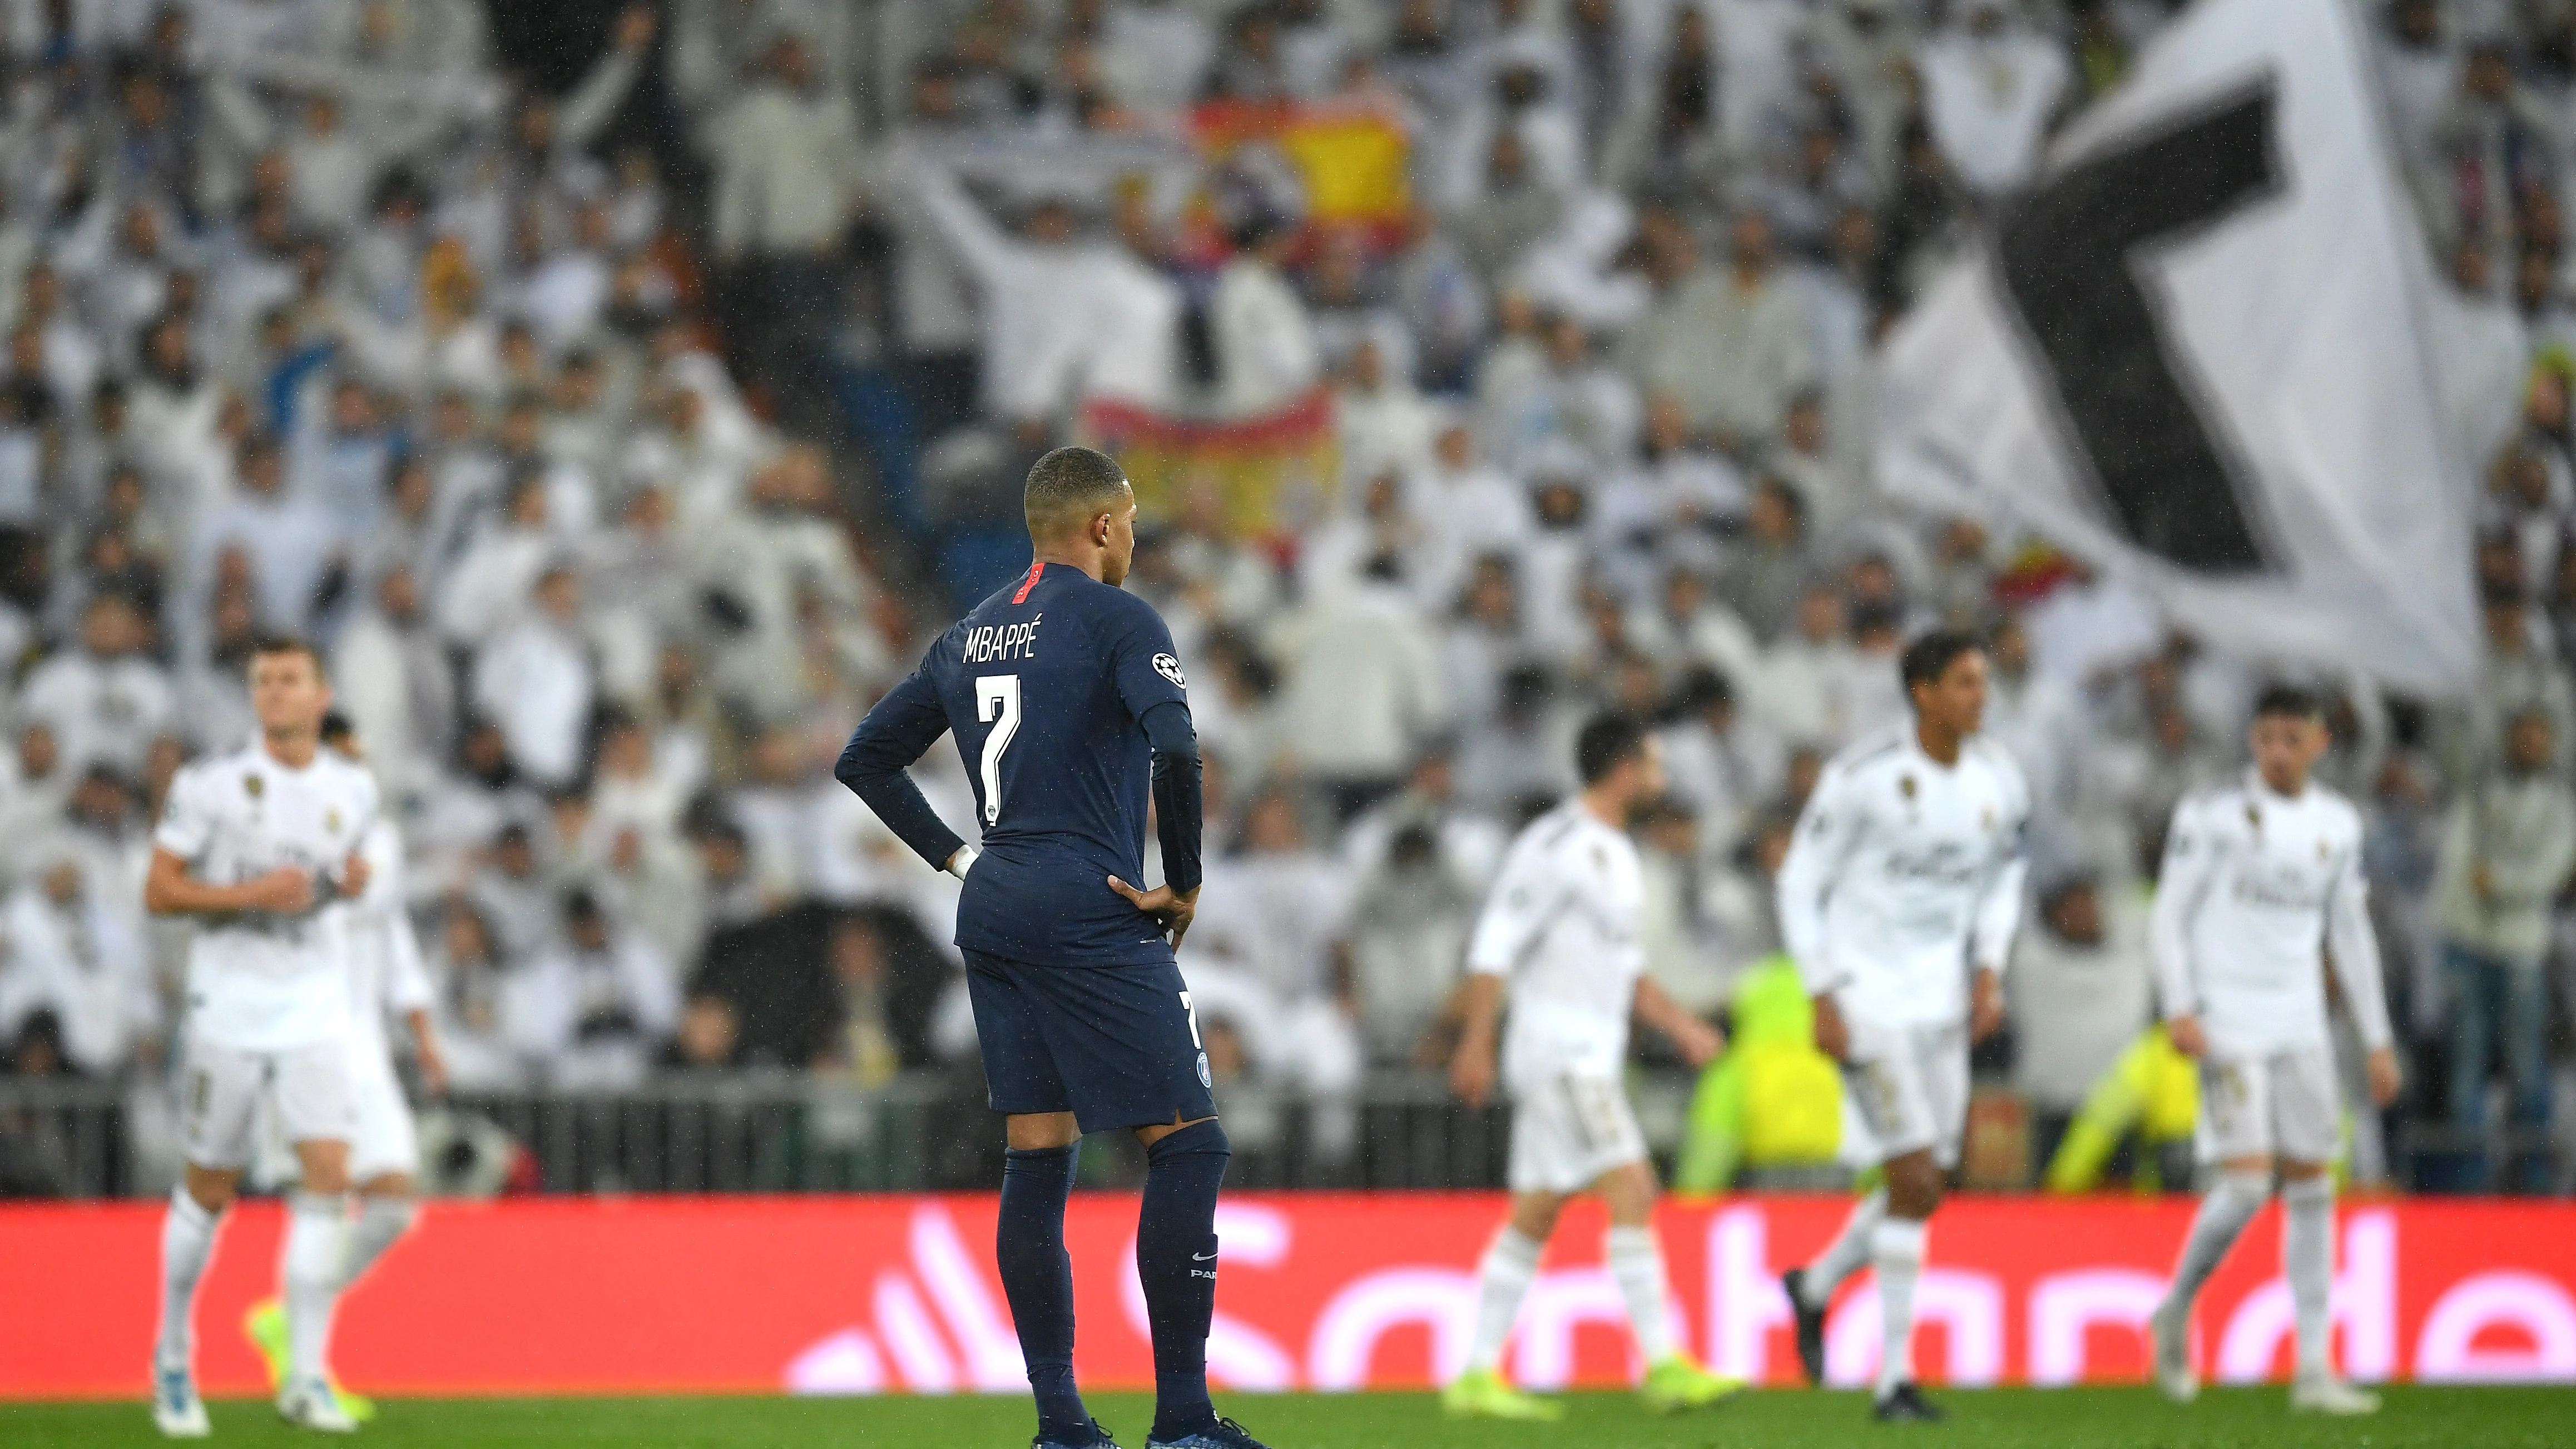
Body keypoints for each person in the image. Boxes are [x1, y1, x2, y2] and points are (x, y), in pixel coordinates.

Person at [834, 446, 1259, 1449]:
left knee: (1038, 1155)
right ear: (1104, 525)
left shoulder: (969, 632)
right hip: (1089, 899)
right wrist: (1186, 876)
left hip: (994, 903)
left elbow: (866, 756)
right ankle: (1184, 1421)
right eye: (1133, 521)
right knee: (1189, 1144)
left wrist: (953, 859)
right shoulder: (1119, 619)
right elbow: (1177, 747)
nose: (1135, 538)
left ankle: (1062, 1423)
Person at [1440, 712, 1741, 1421]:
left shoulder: (1618, 852)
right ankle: (1664, 1362)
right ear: (1624, 769)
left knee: (1538, 1211)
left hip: (1584, 1050)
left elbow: (1627, 969)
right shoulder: (1557, 844)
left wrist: (1684, 1026)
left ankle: (1476, 1374)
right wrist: (1476, 1041)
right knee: (1633, 1185)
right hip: (1562, 1051)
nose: (1664, 779)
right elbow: (1495, 943)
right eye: (1657, 764)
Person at [1776, 629, 2030, 1423]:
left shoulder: (1999, 778)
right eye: (1963, 683)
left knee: (1930, 1182)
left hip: (1942, 1002)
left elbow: (2004, 878)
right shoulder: (1864, 778)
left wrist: (1989, 965)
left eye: (1982, 682)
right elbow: (1798, 882)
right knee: (1915, 1179)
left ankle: (1813, 1287)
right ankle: (1894, 1380)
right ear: (1922, 692)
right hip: (1868, 1000)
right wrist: (1822, 993)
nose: (1980, 697)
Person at [143, 637, 380, 1436]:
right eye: (263, 681)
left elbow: (325, 886)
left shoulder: (355, 790)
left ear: (322, 694)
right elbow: (160, 891)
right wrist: (248, 893)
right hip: (231, 1000)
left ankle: (307, 1375)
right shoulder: (209, 785)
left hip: (313, 997)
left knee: (330, 1175)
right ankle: (173, 1359)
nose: (274, 693)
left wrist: (343, 887)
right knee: (211, 1185)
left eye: (289, 680)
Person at [2145, 684, 2402, 1416]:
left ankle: (2315, 1367)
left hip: (2302, 1024)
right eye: (2267, 738)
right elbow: (2170, 910)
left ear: (2321, 742)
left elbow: (2349, 934)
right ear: (2252, 740)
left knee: (2315, 1184)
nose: (2278, 752)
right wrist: (2180, 1003)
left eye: (2293, 738)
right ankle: (2178, 1307)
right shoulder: (2213, 812)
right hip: (2227, 1019)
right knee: (2250, 1184)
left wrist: (2377, 1038)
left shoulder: (2338, 824)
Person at [242, 713, 448, 1422]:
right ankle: (307, 1376)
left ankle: (284, 1320)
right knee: (321, 1203)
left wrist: (422, 1029)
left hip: (365, 1047)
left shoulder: (379, 839)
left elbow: (393, 935)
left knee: (392, 1204)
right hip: (303, 1045)